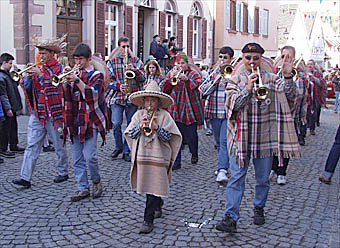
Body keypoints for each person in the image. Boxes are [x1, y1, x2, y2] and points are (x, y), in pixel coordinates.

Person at [215, 43, 301, 233]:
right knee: (236, 178)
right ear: (243, 59)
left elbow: (290, 98)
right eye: (248, 58)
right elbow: (232, 107)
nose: (252, 62)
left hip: (264, 139)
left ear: (261, 59)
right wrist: (248, 88)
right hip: (241, 139)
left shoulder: (271, 79)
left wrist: (287, 76)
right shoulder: (235, 80)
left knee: (262, 179)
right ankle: (231, 217)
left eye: (256, 58)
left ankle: (259, 207)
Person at [12, 35, 69, 189]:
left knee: (59, 144)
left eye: (44, 54)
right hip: (38, 112)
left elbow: (56, 87)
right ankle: (25, 177)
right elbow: (29, 90)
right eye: (40, 53)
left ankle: (63, 171)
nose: (41, 56)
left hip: (54, 113)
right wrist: (28, 78)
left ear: (52, 54)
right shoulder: (39, 68)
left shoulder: (59, 69)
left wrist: (40, 75)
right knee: (32, 145)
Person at [125, 80, 182, 234]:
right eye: (147, 100)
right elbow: (130, 134)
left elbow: (171, 137)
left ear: (158, 102)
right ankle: (157, 204)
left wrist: (157, 128)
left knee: (153, 186)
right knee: (150, 186)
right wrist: (140, 126)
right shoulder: (138, 115)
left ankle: (147, 220)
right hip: (143, 157)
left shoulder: (165, 116)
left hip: (159, 157)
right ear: (144, 102)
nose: (150, 104)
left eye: (153, 100)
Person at [63, 43, 107, 202]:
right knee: (76, 158)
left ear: (88, 59)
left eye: (80, 59)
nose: (77, 63)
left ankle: (96, 180)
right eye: (75, 59)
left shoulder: (97, 75)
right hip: (74, 120)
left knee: (90, 156)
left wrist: (76, 80)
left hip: (90, 120)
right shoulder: (74, 73)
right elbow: (66, 96)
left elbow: (92, 95)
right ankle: (82, 188)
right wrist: (66, 83)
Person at [106, 36, 146, 162]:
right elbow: (107, 81)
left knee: (131, 125)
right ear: (119, 47)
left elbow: (143, 78)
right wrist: (119, 86)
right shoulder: (112, 62)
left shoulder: (136, 61)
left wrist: (134, 70)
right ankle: (118, 146)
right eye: (123, 46)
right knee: (116, 123)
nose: (126, 49)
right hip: (118, 97)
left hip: (133, 96)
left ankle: (126, 150)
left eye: (128, 46)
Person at [198, 46, 234, 184]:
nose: (222, 60)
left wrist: (227, 81)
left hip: (227, 112)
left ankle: (223, 169)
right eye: (220, 57)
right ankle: (222, 164)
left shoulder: (234, 74)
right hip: (214, 111)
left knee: (225, 141)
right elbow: (203, 90)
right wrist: (215, 82)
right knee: (219, 142)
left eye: (225, 58)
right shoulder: (213, 73)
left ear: (230, 59)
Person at [270, 45, 305, 185]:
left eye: (288, 57)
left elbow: (298, 96)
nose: (285, 59)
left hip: (290, 115)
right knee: (272, 143)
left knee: (285, 145)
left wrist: (288, 76)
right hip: (274, 114)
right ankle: (273, 168)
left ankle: (282, 171)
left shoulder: (298, 75)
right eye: (283, 56)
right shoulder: (274, 72)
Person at [162, 53, 204, 170]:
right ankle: (176, 161)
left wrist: (186, 80)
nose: (180, 66)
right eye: (178, 63)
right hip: (176, 109)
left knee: (191, 136)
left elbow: (197, 88)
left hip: (190, 109)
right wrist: (170, 79)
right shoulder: (172, 73)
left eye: (182, 63)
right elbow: (165, 90)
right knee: (176, 136)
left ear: (187, 64)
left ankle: (194, 153)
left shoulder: (194, 74)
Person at [0, 53, 25, 158]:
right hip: (8, 107)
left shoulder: (7, 74)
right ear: (4, 63)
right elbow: (3, 95)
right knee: (5, 129)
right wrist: (8, 108)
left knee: (13, 126)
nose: (11, 65)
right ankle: (3, 149)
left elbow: (15, 84)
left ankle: (14, 145)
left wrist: (18, 73)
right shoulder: (1, 76)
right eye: (10, 63)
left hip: (12, 105)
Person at [306, 59, 326, 134]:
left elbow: (321, 83)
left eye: (311, 64)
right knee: (306, 114)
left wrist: (313, 77)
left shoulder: (318, 73)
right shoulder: (304, 73)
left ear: (314, 65)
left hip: (315, 97)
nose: (310, 66)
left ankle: (312, 128)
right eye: (308, 64)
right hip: (306, 97)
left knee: (314, 113)